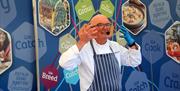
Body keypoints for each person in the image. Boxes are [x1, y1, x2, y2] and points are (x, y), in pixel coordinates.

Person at [59, 14, 142, 91]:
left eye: (107, 24)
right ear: (90, 28)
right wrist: (82, 42)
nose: (105, 28)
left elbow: (134, 61)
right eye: (100, 25)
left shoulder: (115, 46)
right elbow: (65, 63)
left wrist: (132, 44)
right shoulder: (83, 48)